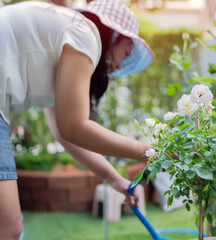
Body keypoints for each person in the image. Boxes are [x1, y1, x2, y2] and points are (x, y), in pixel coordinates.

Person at [0, 0, 155, 239]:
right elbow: (75, 127)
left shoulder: (65, 41)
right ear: (113, 36)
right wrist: (150, 152)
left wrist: (116, 180)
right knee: (9, 228)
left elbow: (65, 134)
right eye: (126, 52)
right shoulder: (85, 33)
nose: (119, 66)